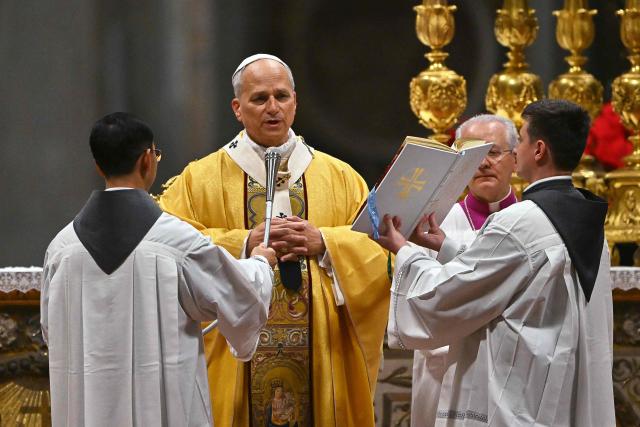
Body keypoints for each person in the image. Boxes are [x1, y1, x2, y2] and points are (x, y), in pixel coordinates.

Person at [158, 54, 390, 426]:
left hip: (321, 356)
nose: (273, 108)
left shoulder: (341, 177)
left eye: (281, 96)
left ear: (295, 102)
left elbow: (379, 248)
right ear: (237, 108)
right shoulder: (198, 180)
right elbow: (166, 248)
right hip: (232, 362)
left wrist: (326, 243)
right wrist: (242, 243)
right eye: (259, 98)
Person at [376, 99, 615, 426]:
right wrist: (444, 247)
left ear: (539, 150)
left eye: (523, 140)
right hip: (564, 394)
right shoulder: (588, 223)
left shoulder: (520, 222)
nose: (517, 152)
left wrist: (405, 251)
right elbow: (512, 273)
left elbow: (447, 297)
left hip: (518, 400)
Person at [41, 112, 277, 426]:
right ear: (147, 160)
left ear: (98, 166)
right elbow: (240, 297)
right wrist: (260, 262)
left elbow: (49, 331)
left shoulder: (61, 249)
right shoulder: (176, 241)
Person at [407, 114, 518, 427]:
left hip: (513, 371)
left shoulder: (532, 223)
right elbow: (418, 303)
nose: (482, 163)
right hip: (445, 370)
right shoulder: (432, 224)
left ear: (515, 159)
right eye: (472, 154)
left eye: (493, 153)